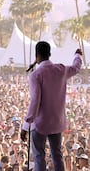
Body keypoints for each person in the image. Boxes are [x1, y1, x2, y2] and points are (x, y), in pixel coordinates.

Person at [20, 41, 83, 171]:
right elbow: (76, 68)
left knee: (39, 157)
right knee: (57, 155)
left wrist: (26, 126)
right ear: (49, 54)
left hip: (40, 124)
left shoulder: (35, 75)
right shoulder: (61, 69)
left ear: (37, 55)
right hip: (57, 122)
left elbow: (35, 102)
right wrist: (78, 55)